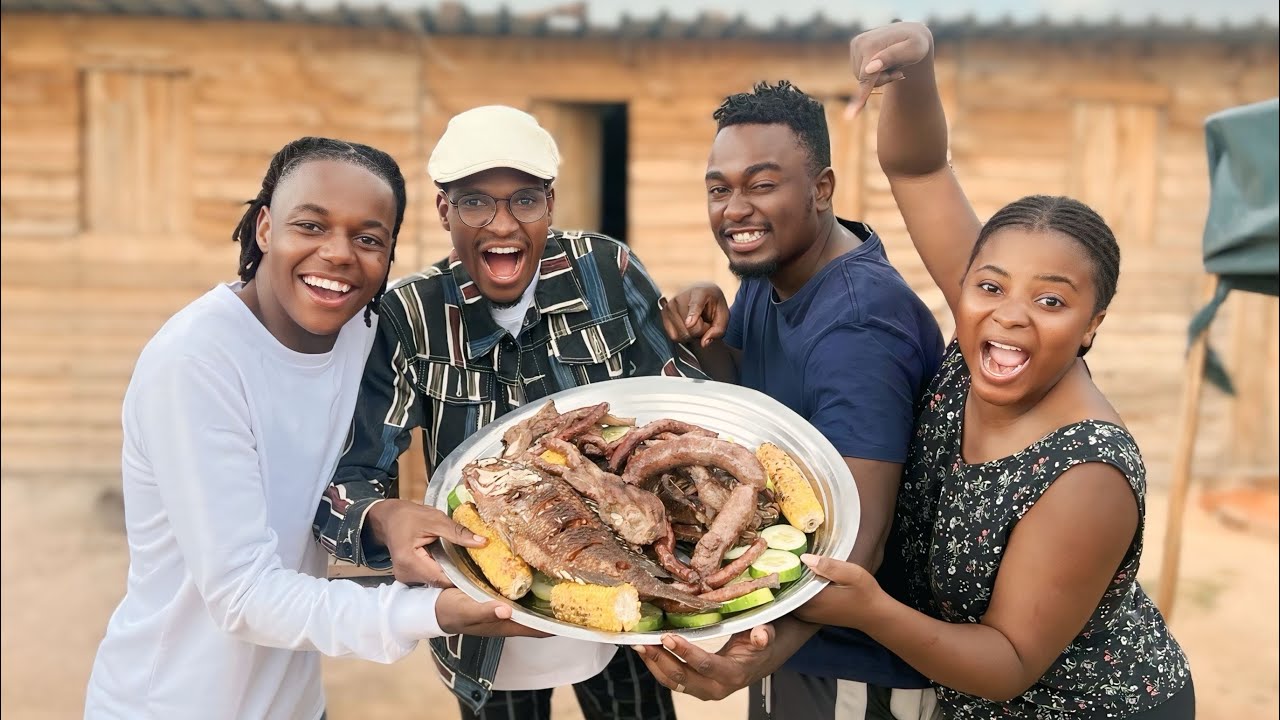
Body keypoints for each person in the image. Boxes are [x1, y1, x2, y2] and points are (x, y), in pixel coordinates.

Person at [791, 22, 1195, 719]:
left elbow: (1008, 662)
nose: (1011, 315)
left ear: (1092, 324)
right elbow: (919, 170)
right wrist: (916, 65)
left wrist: (869, 609)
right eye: (990, 286)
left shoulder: (1087, 473)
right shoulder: (982, 328)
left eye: (1051, 301)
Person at [83, 137, 538, 720]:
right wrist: (429, 613)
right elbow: (243, 595)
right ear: (264, 228)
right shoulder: (196, 363)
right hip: (169, 705)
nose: (339, 253)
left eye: (368, 238)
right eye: (311, 226)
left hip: (295, 703)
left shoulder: (364, 337)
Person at [312, 106, 706, 720]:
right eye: (474, 202)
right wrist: (383, 519)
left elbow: (684, 405)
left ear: (550, 204)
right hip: (489, 625)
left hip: (630, 593)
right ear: (443, 210)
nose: (502, 223)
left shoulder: (605, 271)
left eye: (525, 200)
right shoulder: (410, 316)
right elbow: (351, 476)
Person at [639, 81, 947, 720]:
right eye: (719, 189)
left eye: (761, 184)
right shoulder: (775, 270)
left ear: (822, 188)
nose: (735, 210)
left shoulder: (860, 328)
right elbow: (761, 391)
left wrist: (750, 659)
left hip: (857, 666)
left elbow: (861, 541)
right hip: (798, 623)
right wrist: (704, 335)